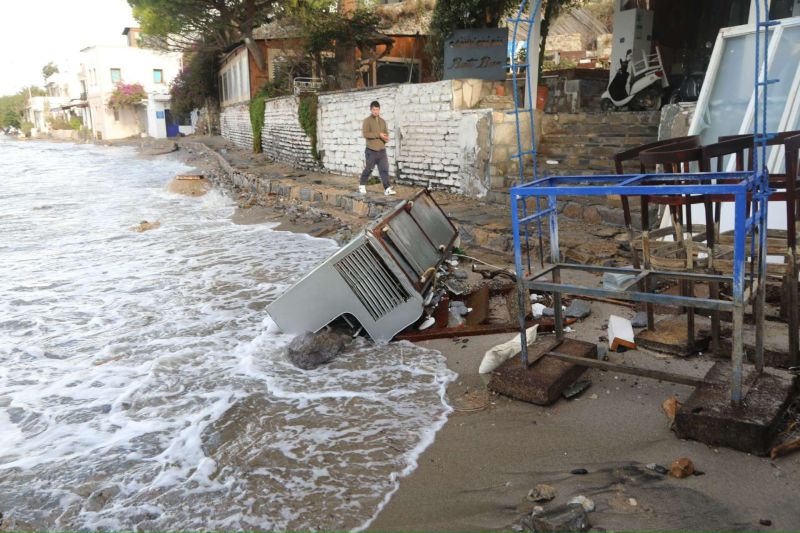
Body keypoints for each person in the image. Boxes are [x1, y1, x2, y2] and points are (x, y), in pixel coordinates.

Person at [359, 100, 395, 196]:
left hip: (382, 150)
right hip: (371, 150)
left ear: (379, 110)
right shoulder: (367, 121)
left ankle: (387, 188)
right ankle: (362, 185)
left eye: (377, 109)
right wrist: (378, 135)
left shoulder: (383, 121)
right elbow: (365, 134)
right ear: (371, 110)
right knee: (369, 169)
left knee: (384, 169)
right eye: (374, 110)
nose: (376, 111)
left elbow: (386, 133)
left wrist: (386, 138)